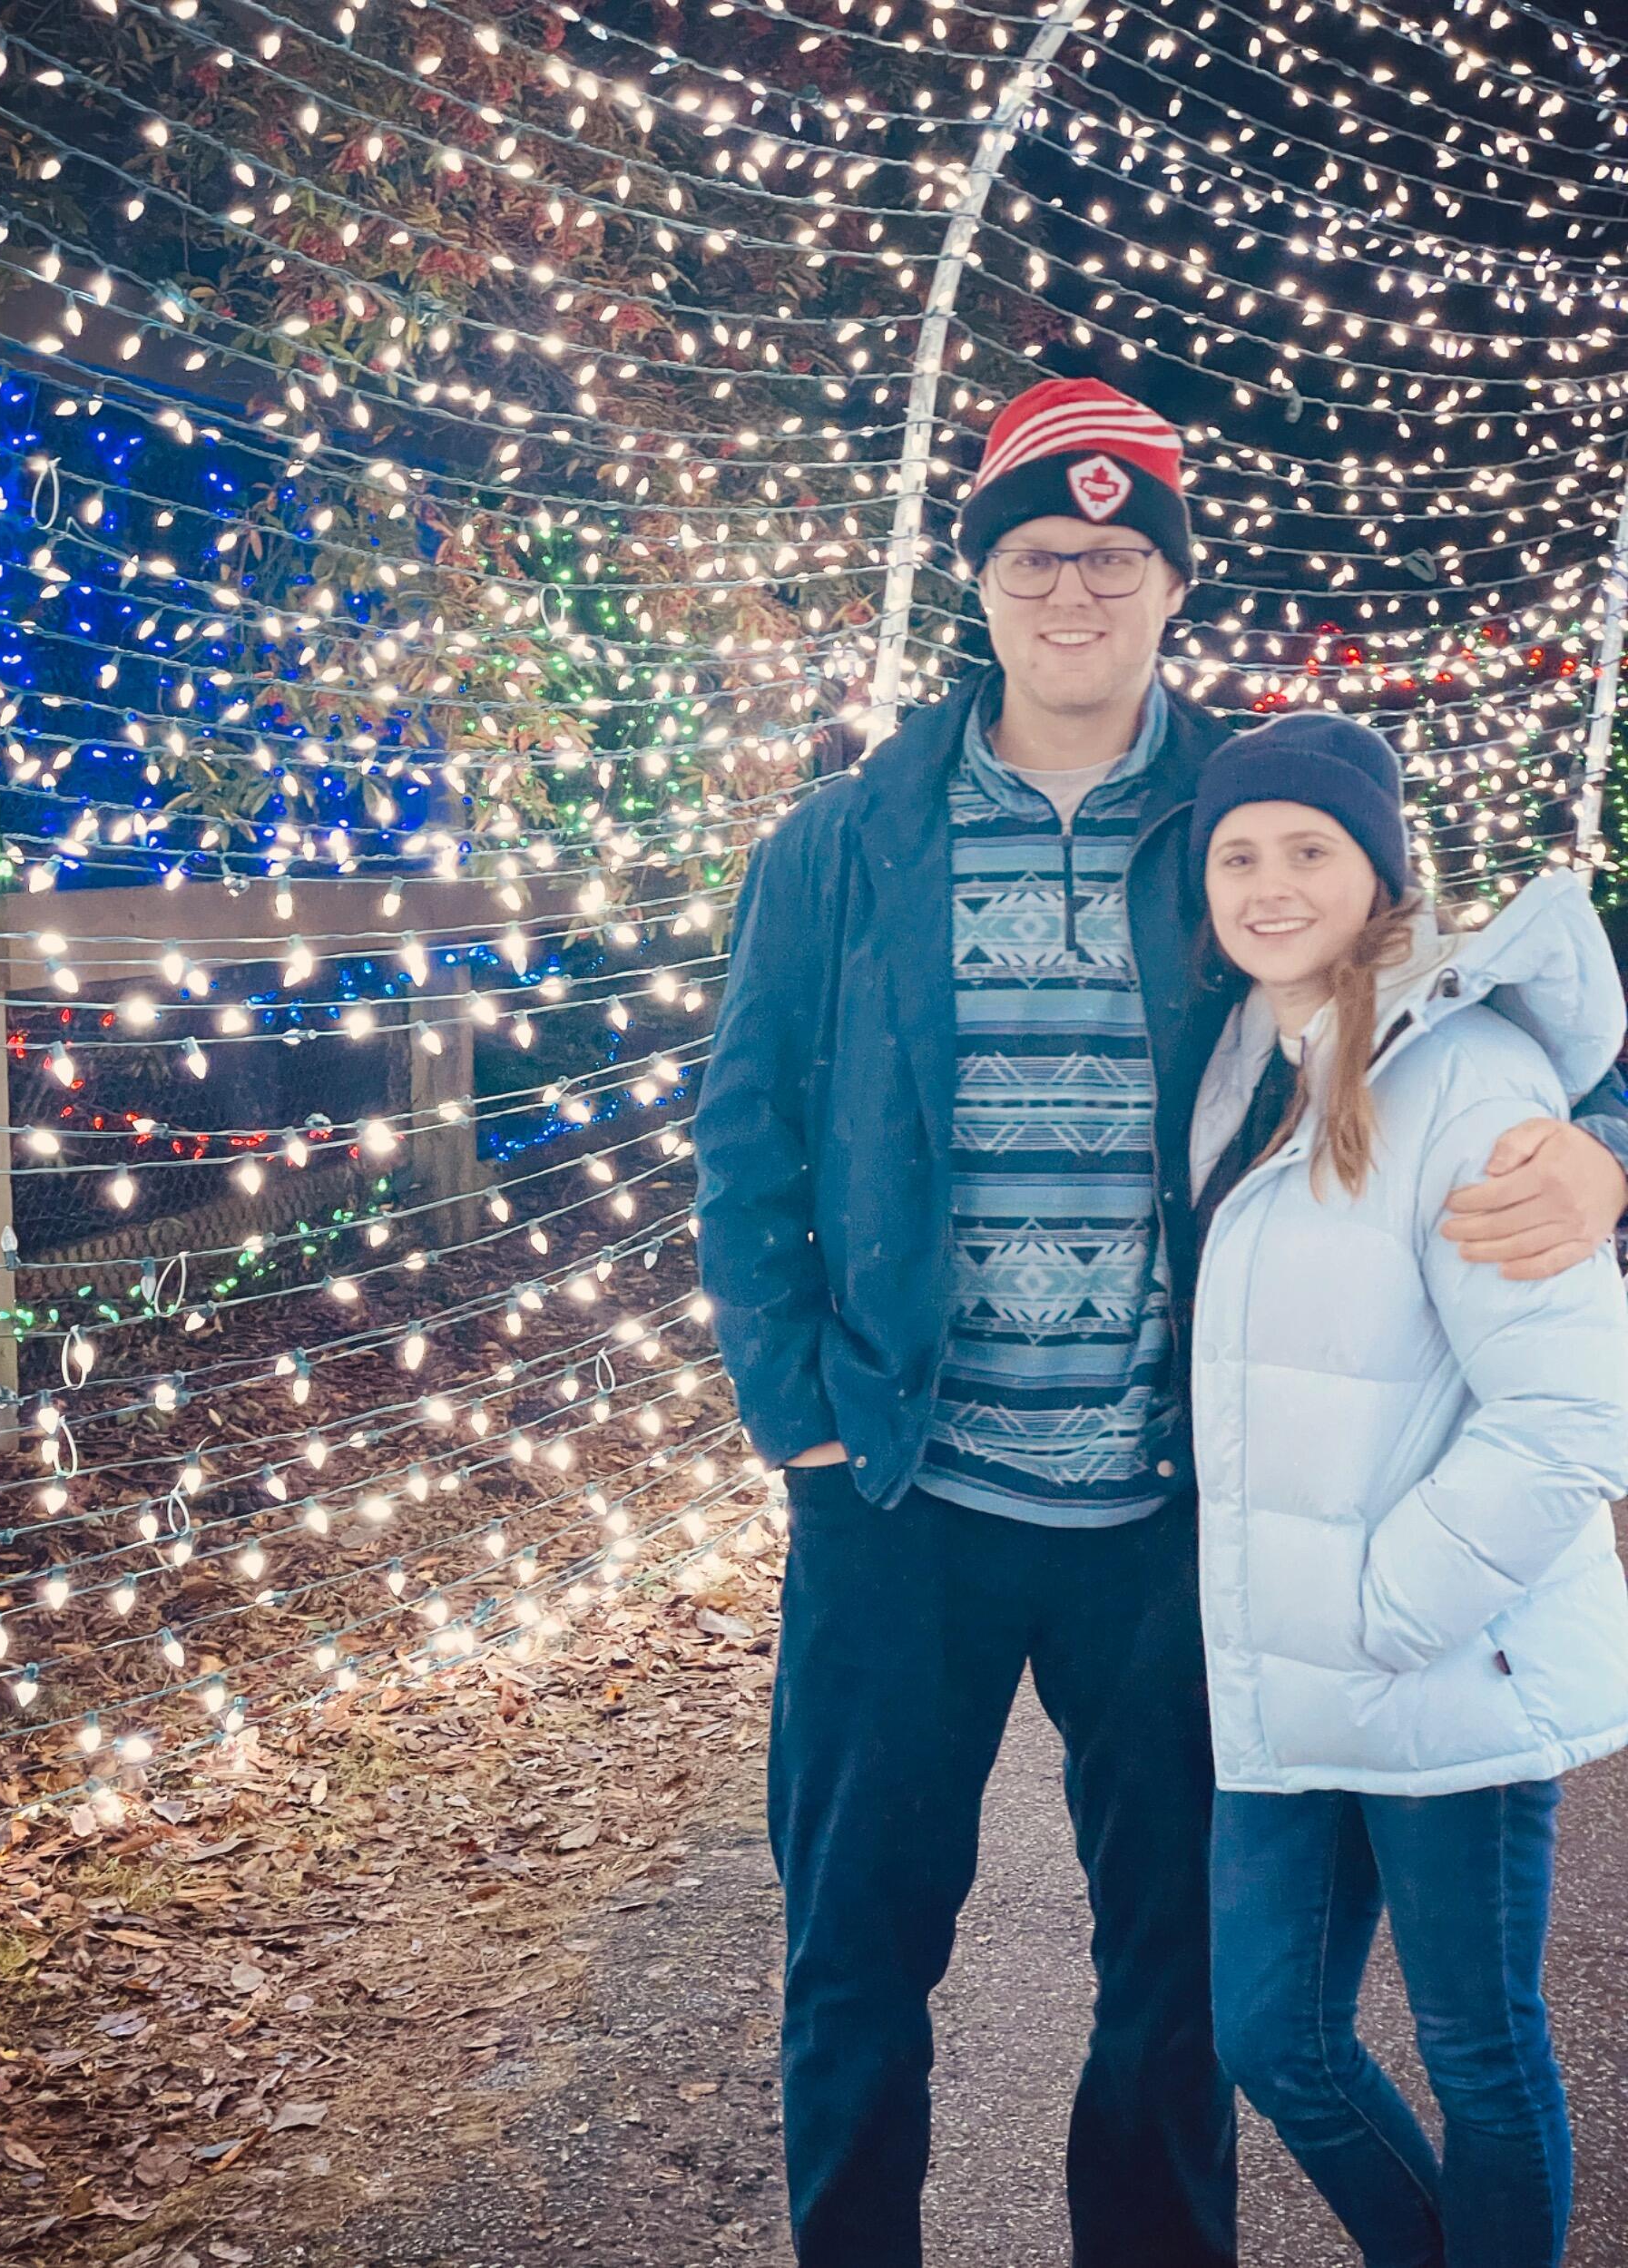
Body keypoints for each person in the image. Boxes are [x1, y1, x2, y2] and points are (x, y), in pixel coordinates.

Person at [691, 373, 1628, 2268]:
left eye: (1118, 556)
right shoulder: (842, 846)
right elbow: (745, 1132)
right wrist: (793, 1403)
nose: (1075, 589)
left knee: (1178, 1995)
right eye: (1038, 553)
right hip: (899, 1495)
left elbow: (1466, 993)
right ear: (981, 579)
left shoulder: (1241, 814)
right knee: (854, 1954)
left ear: (1169, 584)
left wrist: (1603, 1145)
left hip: (1166, 1512)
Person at [1187, 714, 1628, 2268]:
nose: (1270, 882)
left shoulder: (1468, 1070)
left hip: (1440, 1657)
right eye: (1238, 853)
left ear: (1379, 869)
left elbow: (1575, 1407)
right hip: (1282, 1681)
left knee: (1481, 2058)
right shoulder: (1239, 1064)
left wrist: (1391, 1606)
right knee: (1273, 2042)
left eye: (1309, 847)